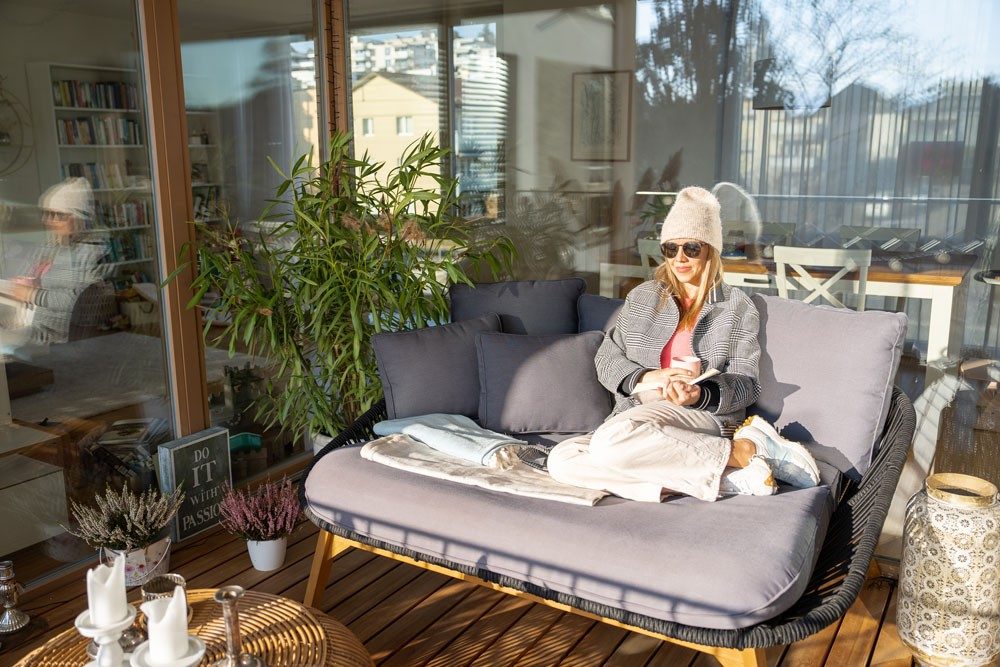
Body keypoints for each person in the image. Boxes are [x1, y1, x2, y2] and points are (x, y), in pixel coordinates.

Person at [547, 186, 820, 501]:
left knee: (610, 442)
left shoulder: (736, 306)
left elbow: (747, 384)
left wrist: (699, 394)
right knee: (562, 460)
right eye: (670, 249)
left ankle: (741, 448)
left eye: (691, 248)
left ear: (709, 250)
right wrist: (649, 377)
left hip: (700, 417)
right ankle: (730, 474)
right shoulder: (643, 297)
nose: (680, 258)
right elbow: (606, 358)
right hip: (639, 413)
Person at [0, 178, 107, 354]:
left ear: (77, 217)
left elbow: (76, 301)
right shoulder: (58, 246)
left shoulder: (91, 252)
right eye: (47, 214)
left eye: (56, 215)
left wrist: (33, 293)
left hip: (56, 340)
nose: (48, 220)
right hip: (39, 331)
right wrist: (34, 283)